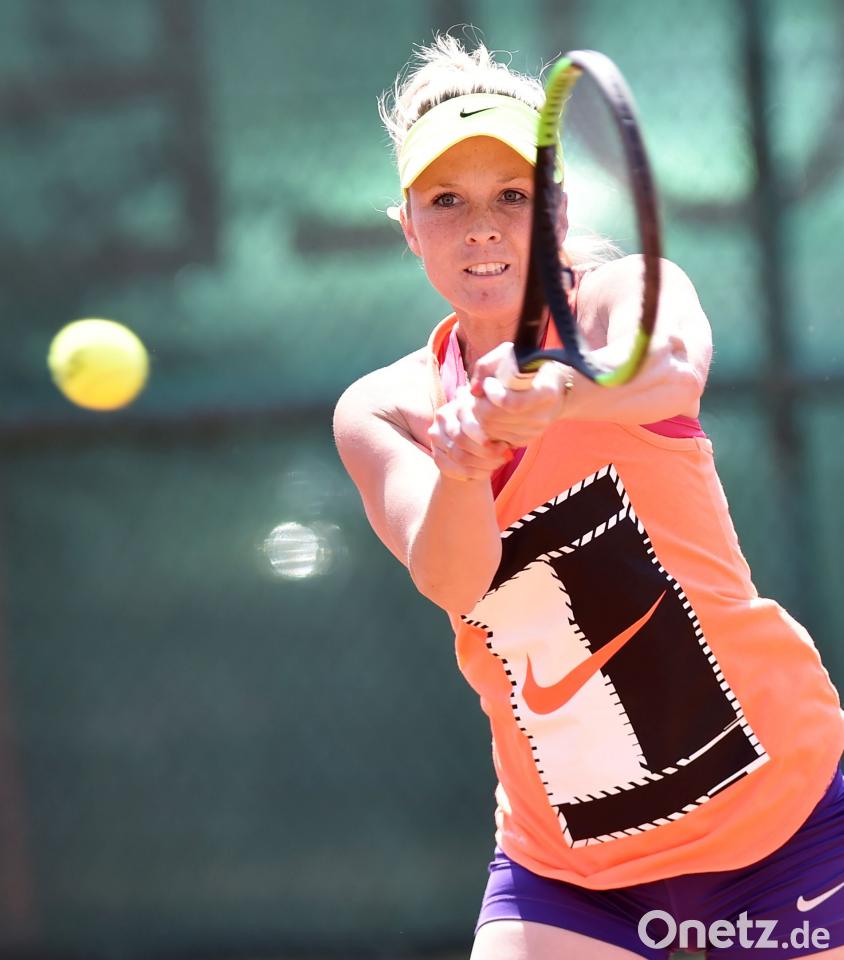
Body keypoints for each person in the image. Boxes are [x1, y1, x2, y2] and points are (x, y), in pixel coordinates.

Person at [333, 34, 844, 960]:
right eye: (446, 201)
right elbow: (451, 579)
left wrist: (559, 391)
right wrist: (463, 465)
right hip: (568, 873)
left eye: (512, 196)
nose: (481, 227)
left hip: (787, 824)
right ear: (409, 226)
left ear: (559, 211)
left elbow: (670, 367)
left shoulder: (624, 297)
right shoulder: (383, 408)